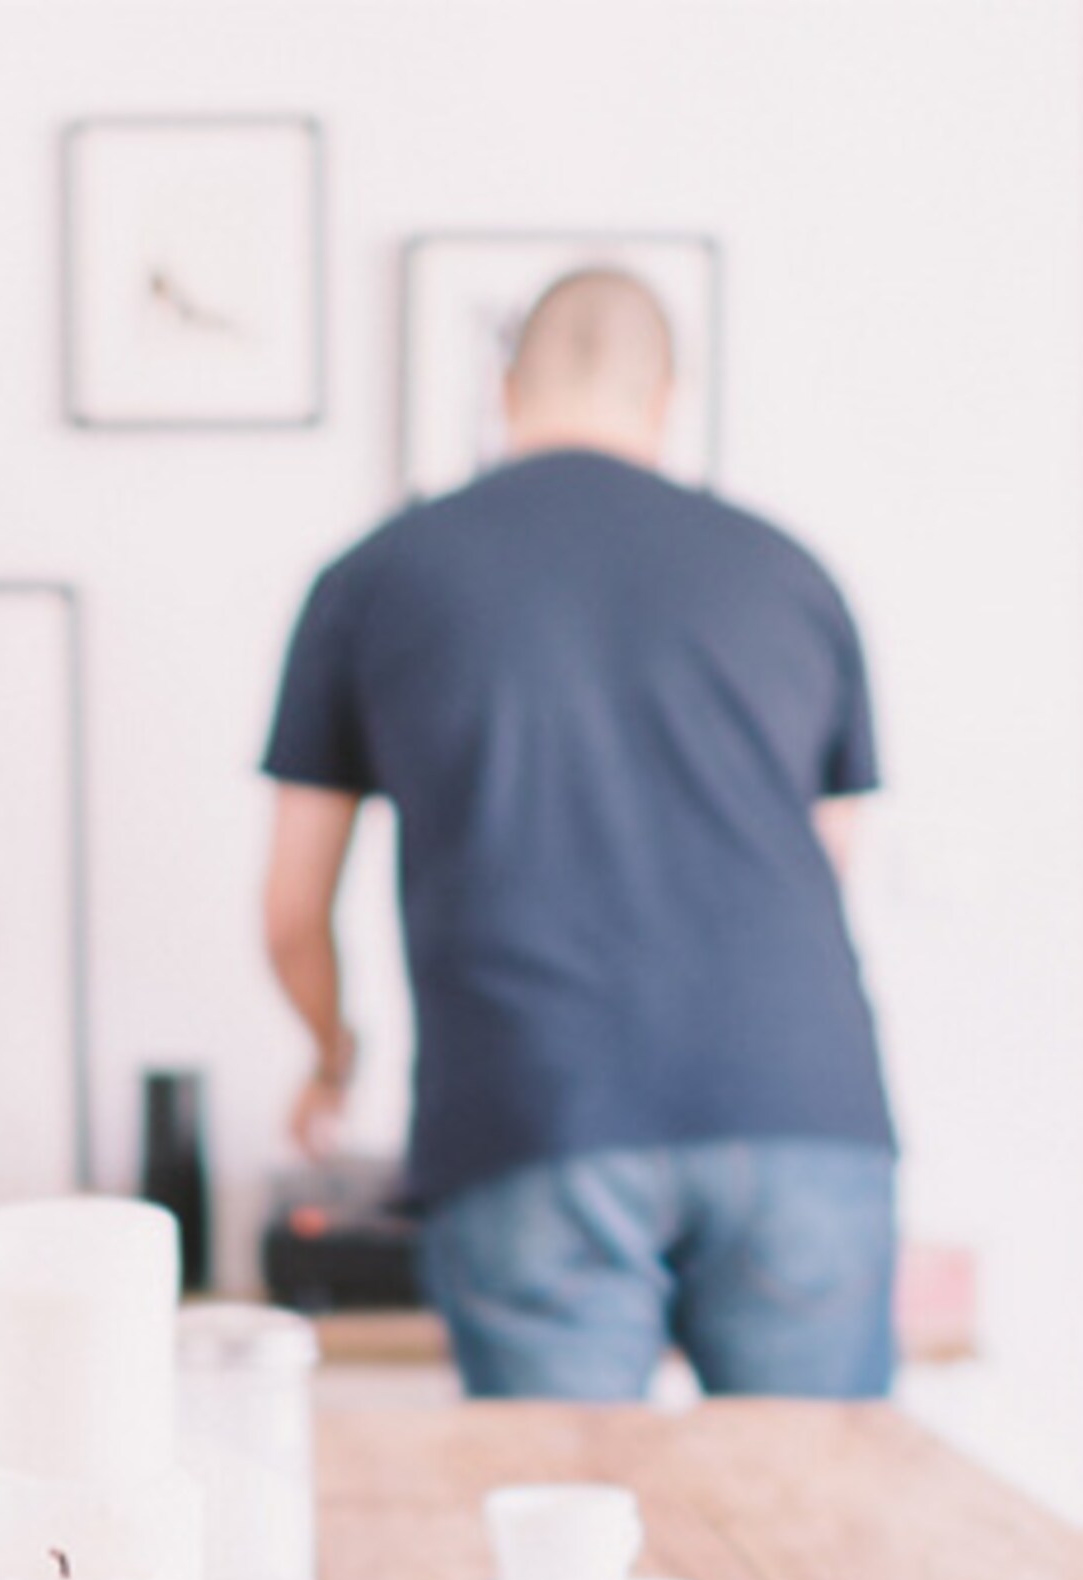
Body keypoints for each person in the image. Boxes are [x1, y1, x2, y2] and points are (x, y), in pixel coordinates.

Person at [260, 268, 897, 1401]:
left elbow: (289, 907)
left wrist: (330, 1052)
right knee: (816, 1519)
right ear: (666, 399)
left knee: (565, 1539)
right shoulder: (789, 572)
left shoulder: (375, 575)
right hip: (802, 1102)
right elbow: (829, 858)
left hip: (534, 1106)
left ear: (505, 390)